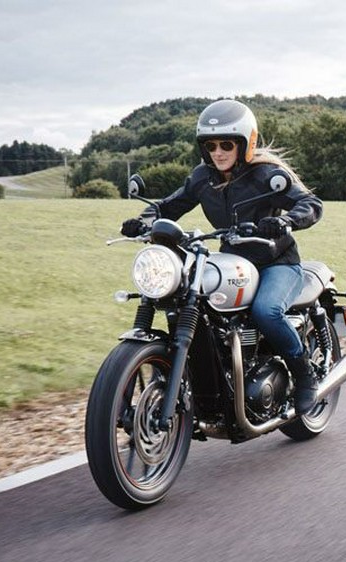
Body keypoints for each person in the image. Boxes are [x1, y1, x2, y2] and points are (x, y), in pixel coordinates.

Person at [121, 99, 323, 415]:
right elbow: (167, 206)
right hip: (232, 262)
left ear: (245, 143)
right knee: (192, 300)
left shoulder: (267, 175)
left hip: (276, 263)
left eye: (226, 144)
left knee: (267, 312)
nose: (218, 152)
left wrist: (284, 221)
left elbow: (311, 204)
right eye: (210, 145)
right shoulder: (203, 177)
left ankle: (304, 375)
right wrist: (145, 220)